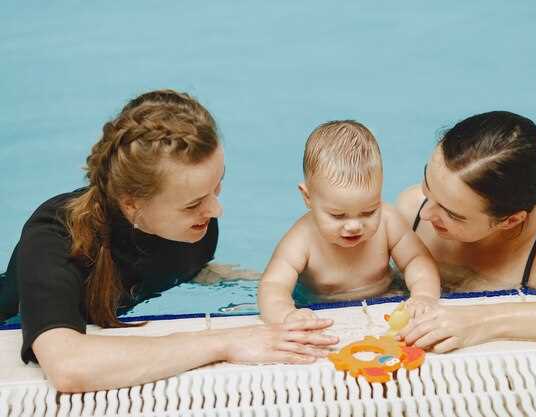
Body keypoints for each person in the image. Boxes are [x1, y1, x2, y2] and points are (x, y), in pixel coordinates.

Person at [0, 90, 337, 393]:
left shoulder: (195, 227)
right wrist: (224, 342)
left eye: (218, 185)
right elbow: (68, 367)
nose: (216, 209)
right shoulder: (55, 237)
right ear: (132, 203)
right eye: (193, 204)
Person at [395, 111, 536, 352]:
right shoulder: (412, 208)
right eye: (428, 185)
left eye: (452, 214)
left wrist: (484, 321)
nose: (426, 213)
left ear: (510, 220)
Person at [258, 120, 440, 324]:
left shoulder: (388, 221)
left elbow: (417, 259)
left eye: (369, 211)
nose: (354, 225)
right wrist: (286, 315)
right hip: (316, 304)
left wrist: (423, 295)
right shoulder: (302, 239)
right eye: (337, 215)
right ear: (307, 197)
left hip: (385, 294)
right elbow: (274, 285)